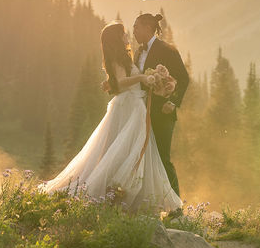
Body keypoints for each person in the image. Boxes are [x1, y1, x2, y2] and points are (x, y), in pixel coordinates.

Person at [40, 21, 182, 215]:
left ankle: (132, 196)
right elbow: (123, 82)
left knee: (133, 149)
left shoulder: (124, 57)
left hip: (134, 105)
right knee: (126, 149)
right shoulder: (117, 58)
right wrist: (141, 78)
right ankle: (117, 194)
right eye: (124, 33)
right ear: (117, 38)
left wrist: (158, 76)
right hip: (129, 107)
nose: (127, 36)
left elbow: (119, 82)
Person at [132, 13, 190, 210]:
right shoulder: (139, 52)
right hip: (142, 112)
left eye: (136, 28)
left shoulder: (167, 50)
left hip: (163, 114)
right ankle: (148, 206)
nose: (133, 32)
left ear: (148, 28)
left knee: (163, 158)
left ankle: (176, 209)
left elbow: (183, 78)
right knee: (144, 158)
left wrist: (172, 102)